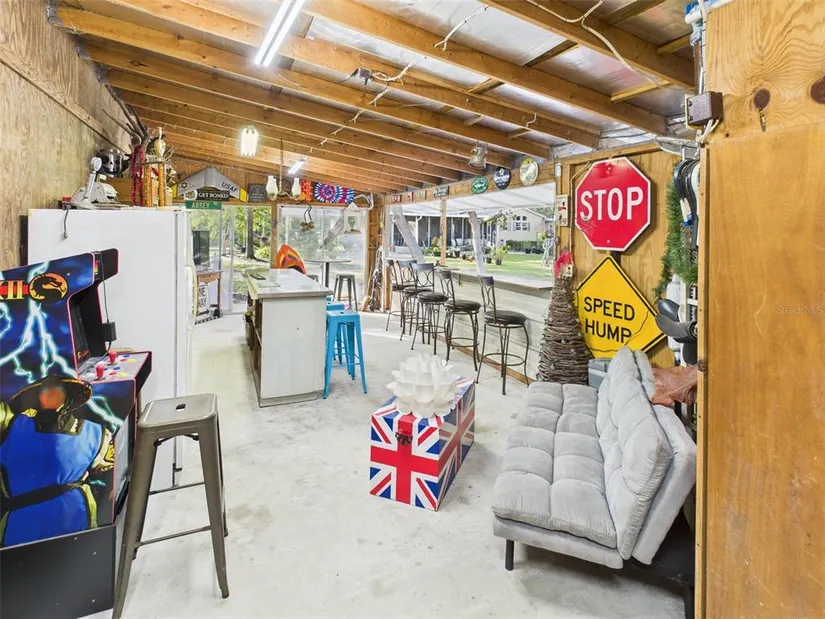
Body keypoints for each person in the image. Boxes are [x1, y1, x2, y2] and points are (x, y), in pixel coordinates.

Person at [0, 375, 114, 547]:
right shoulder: (11, 425)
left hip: (74, 523)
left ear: (66, 395)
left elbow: (114, 473)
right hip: (22, 528)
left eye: (58, 388)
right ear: (39, 396)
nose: (52, 393)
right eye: (46, 389)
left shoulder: (95, 433)